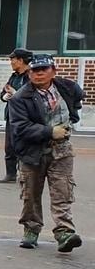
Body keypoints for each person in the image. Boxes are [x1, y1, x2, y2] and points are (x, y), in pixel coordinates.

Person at [8, 54, 83, 252]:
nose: (39, 73)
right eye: (35, 70)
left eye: (44, 69)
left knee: (62, 192)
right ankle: (31, 230)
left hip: (62, 150)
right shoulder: (20, 98)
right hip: (32, 152)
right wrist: (50, 132)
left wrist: (71, 119)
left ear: (53, 71)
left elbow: (77, 100)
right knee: (31, 194)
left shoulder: (68, 88)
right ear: (29, 73)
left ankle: (64, 233)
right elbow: (20, 127)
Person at [0, 48, 33, 183]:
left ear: (21, 60)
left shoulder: (31, 76)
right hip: (12, 116)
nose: (11, 62)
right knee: (10, 147)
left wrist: (15, 94)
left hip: (26, 117)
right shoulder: (14, 77)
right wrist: (5, 96)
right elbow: (4, 92)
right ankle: (11, 174)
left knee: (25, 147)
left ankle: (27, 175)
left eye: (13, 59)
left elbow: (32, 95)